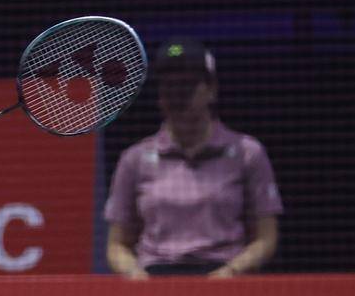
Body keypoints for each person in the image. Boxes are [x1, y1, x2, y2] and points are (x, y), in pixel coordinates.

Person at [104, 37, 281, 279]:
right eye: (169, 85)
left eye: (187, 84)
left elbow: (266, 238)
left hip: (225, 275)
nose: (178, 94)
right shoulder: (134, 159)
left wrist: (233, 270)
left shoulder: (247, 153)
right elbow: (116, 245)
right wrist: (135, 273)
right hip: (155, 276)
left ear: (211, 89)